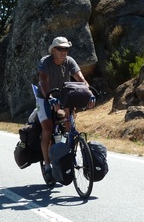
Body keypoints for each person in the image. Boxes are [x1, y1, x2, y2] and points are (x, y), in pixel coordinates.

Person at [36, 36, 95, 181]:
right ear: (53, 50)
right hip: (44, 97)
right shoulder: (45, 62)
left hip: (63, 96)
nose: (64, 51)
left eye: (66, 49)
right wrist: (49, 98)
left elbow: (80, 79)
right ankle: (47, 166)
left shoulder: (70, 61)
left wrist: (90, 93)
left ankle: (67, 156)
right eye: (60, 49)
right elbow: (43, 82)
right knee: (48, 129)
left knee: (70, 127)